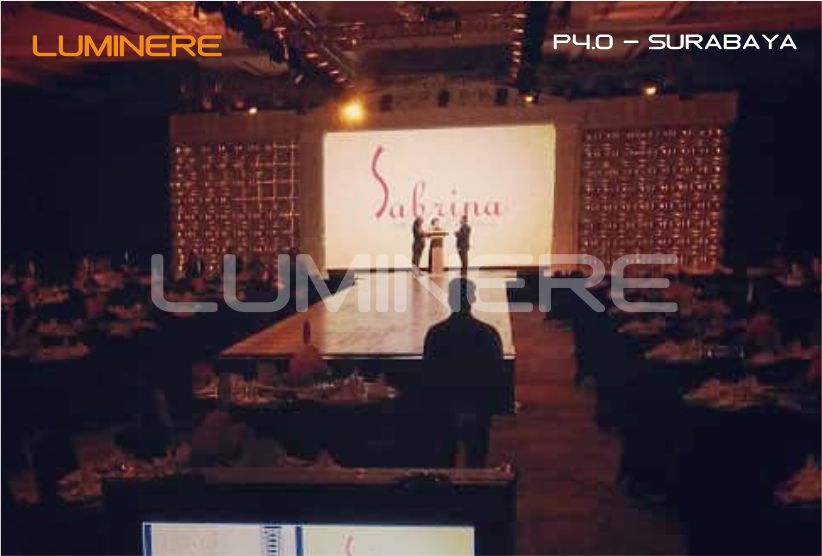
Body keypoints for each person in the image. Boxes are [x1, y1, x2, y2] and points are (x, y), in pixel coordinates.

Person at [422, 278, 503, 467]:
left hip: (444, 404)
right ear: (472, 299)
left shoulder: (436, 334)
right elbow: (495, 374)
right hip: (477, 404)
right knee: (476, 457)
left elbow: (429, 373)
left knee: (444, 457)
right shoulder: (488, 333)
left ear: (450, 300)